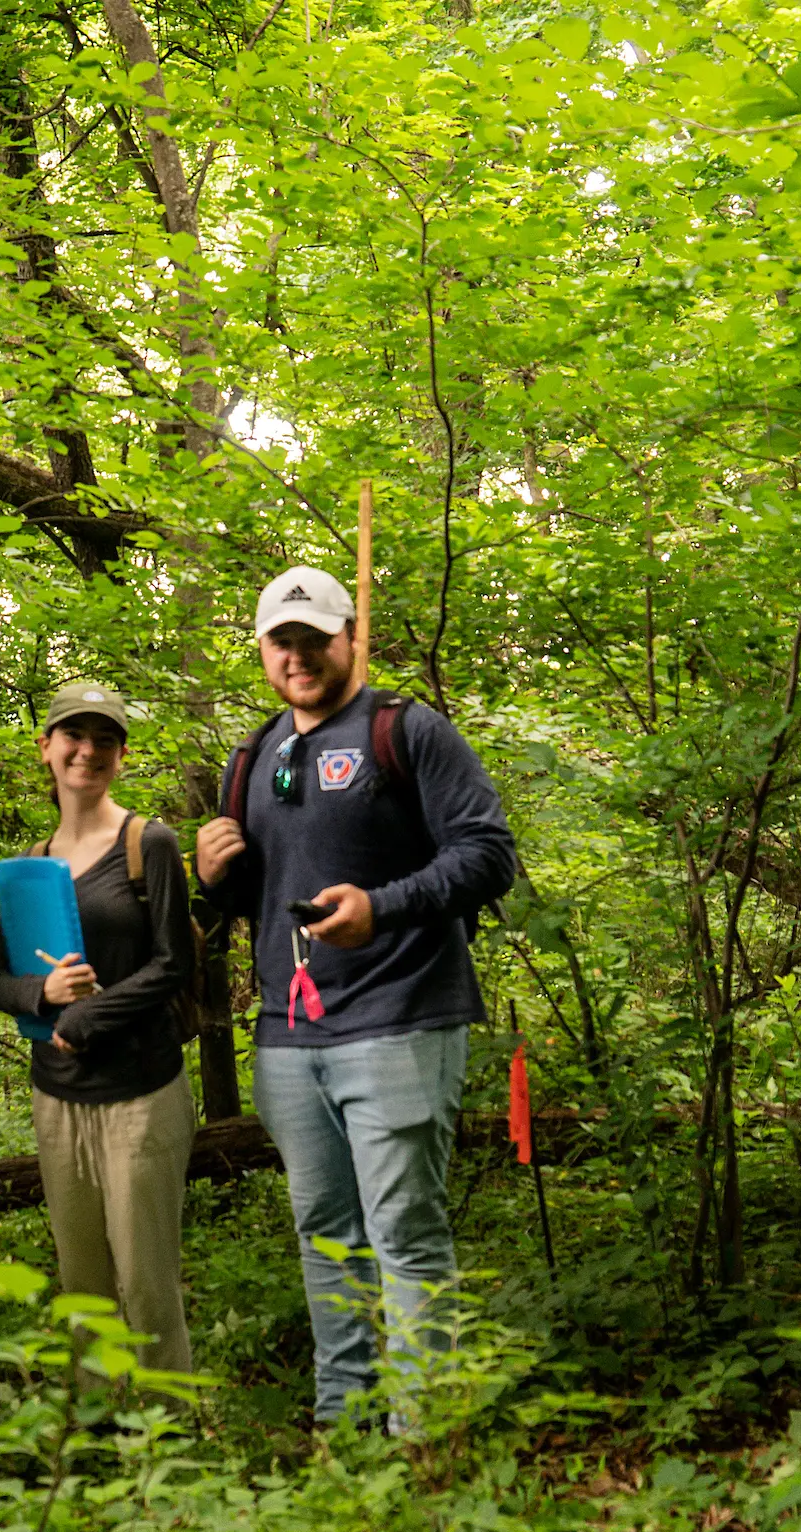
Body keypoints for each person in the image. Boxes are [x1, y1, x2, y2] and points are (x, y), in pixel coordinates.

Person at [194, 568, 518, 1429]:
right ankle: (346, 1425)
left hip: (401, 1019)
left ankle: (425, 1435)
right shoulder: (254, 756)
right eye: (281, 641)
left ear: (350, 638)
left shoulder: (406, 733)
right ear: (263, 651)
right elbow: (252, 905)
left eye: (314, 638)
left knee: (406, 1235)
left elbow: (488, 855)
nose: (298, 655)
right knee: (326, 1238)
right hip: (291, 1038)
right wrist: (214, 875)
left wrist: (383, 908)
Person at [0, 684, 196, 1376]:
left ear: (122, 755)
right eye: (73, 736)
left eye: (105, 739)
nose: (88, 751)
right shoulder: (31, 866)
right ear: (45, 748)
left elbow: (173, 965)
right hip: (58, 1098)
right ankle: (99, 1438)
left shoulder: (148, 844)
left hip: (141, 1093)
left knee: (145, 1285)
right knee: (85, 1288)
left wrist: (83, 1016)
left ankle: (166, 1440)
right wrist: (42, 993)